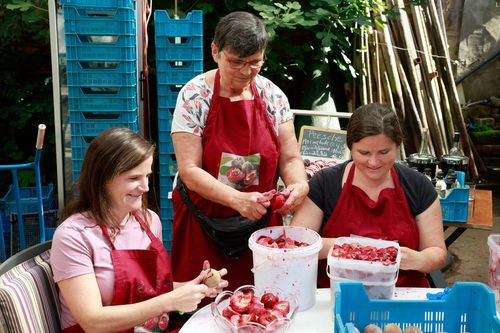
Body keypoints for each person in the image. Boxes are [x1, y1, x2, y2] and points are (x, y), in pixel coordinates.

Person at [170, 11, 309, 289]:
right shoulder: (194, 96)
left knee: (263, 303)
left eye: (254, 63)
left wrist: (298, 184)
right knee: (199, 304)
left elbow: (291, 157)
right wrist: (237, 200)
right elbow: (189, 170)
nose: (246, 72)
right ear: (215, 51)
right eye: (236, 62)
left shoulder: (273, 96)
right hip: (202, 223)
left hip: (260, 227)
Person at [51, 128, 228, 333]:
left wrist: (195, 287)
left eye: (147, 176)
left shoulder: (149, 221)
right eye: (134, 178)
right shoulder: (73, 236)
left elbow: (150, 293)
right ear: (102, 179)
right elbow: (93, 321)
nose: (144, 187)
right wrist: (170, 301)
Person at [291, 103, 447, 288]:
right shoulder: (325, 184)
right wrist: (352, 248)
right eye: (364, 153)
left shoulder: (418, 186)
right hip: (336, 295)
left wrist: (416, 259)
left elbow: (437, 253)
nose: (373, 162)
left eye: (384, 152)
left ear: (397, 146)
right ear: (350, 147)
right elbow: (297, 244)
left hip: (401, 296)